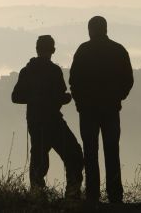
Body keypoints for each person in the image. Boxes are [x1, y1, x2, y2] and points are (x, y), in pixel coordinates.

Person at [69, 16, 134, 204]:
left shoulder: (83, 50)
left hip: (88, 111)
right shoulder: (118, 50)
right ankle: (115, 196)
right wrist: (118, 97)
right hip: (111, 109)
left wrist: (80, 103)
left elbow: (74, 80)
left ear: (90, 30)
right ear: (106, 29)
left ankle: (92, 196)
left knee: (90, 153)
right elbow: (128, 80)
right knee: (112, 152)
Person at [11, 35, 83, 199]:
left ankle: (37, 195)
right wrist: (62, 99)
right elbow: (60, 96)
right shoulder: (54, 71)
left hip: (36, 121)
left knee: (39, 159)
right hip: (53, 120)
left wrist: (34, 98)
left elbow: (16, 97)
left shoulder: (27, 71)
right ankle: (72, 194)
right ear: (53, 50)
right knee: (74, 155)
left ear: (37, 49)